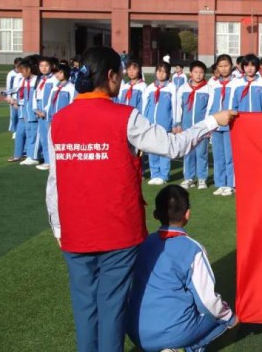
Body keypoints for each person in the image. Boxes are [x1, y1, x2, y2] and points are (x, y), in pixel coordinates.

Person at [46, 46, 236, 352]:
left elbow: (54, 181)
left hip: (75, 230)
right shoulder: (125, 116)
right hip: (116, 231)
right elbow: (173, 146)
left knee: (85, 308)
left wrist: (58, 227)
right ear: (111, 76)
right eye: (120, 75)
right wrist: (212, 121)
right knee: (112, 308)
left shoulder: (60, 119)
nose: (122, 80)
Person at [126, 186, 238, 352]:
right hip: (173, 332)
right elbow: (207, 301)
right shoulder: (192, 249)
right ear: (187, 214)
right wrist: (230, 318)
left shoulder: (144, 243)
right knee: (217, 316)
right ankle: (184, 348)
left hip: (135, 331)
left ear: (155, 214)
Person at [175, 61, 211, 190]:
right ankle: (189, 178)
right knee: (188, 153)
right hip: (187, 127)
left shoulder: (208, 89)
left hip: (202, 128)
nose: (198, 75)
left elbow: (209, 108)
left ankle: (202, 178)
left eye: (201, 72)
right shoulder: (183, 88)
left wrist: (208, 126)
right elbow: (178, 107)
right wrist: (178, 124)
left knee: (201, 153)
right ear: (190, 73)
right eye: (196, 72)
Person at [206, 55, 237, 197]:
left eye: (226, 66)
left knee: (229, 156)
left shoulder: (236, 83)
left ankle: (231, 184)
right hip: (216, 124)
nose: (223, 69)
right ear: (217, 68)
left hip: (230, 125)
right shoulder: (213, 84)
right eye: (220, 66)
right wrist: (208, 122)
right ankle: (220, 183)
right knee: (218, 156)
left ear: (231, 66)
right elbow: (210, 104)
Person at [143, 62, 178, 186]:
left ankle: (164, 175)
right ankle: (155, 174)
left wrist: (175, 123)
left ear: (168, 74)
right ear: (155, 72)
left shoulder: (171, 87)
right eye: (159, 71)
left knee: (164, 150)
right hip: (151, 124)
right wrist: (144, 121)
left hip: (165, 125)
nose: (161, 74)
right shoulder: (150, 87)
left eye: (164, 72)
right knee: (152, 150)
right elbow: (145, 106)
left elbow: (175, 106)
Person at [11, 57, 38, 164]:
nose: (21, 74)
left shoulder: (36, 80)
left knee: (32, 134)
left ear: (28, 69)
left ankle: (32, 156)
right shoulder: (22, 80)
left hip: (33, 112)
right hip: (24, 111)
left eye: (22, 71)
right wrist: (14, 100)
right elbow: (19, 93)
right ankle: (20, 154)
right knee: (22, 133)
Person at [33, 56, 57, 167]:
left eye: (46, 65)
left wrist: (45, 111)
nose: (44, 68)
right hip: (39, 109)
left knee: (49, 136)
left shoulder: (54, 79)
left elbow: (52, 97)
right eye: (41, 66)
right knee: (43, 136)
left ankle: (51, 161)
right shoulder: (39, 79)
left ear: (51, 66)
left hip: (47, 111)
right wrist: (35, 109)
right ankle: (47, 160)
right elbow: (35, 94)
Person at [4, 57, 23, 139]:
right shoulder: (11, 74)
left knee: (21, 115)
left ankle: (20, 130)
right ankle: (14, 131)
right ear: (15, 64)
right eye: (18, 64)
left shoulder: (23, 73)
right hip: (13, 97)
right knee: (14, 115)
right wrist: (9, 97)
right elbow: (9, 86)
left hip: (21, 98)